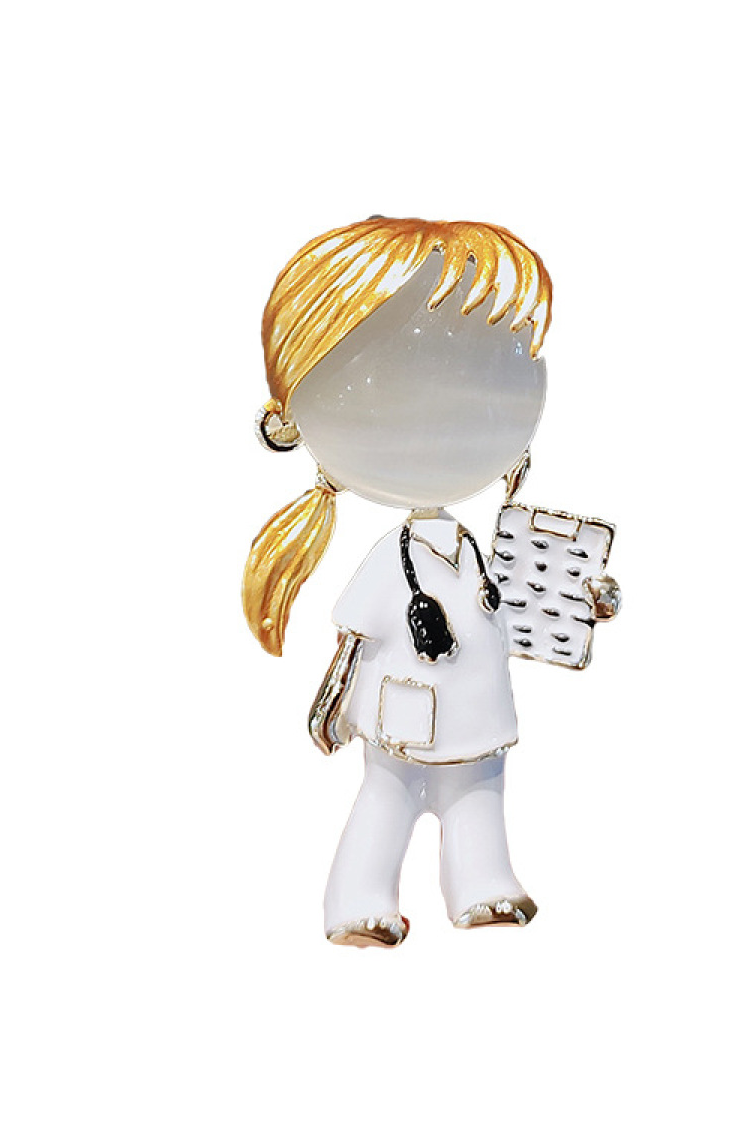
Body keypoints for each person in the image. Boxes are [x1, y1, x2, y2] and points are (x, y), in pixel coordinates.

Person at [243, 218, 599, 947]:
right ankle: (358, 899)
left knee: (480, 799)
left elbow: (516, 609)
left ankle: (484, 886)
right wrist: (333, 707)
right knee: (386, 799)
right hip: (406, 714)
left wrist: (580, 601)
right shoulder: (393, 559)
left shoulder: (477, 548)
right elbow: (353, 637)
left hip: (478, 712)